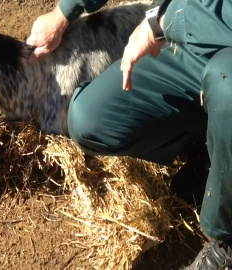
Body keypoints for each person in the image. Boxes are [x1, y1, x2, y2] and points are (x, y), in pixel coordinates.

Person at [26, 0, 232, 269]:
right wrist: (63, 14)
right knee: (89, 117)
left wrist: (164, 21)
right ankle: (208, 146)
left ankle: (227, 242)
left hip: (215, 46)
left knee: (226, 86)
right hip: (186, 39)